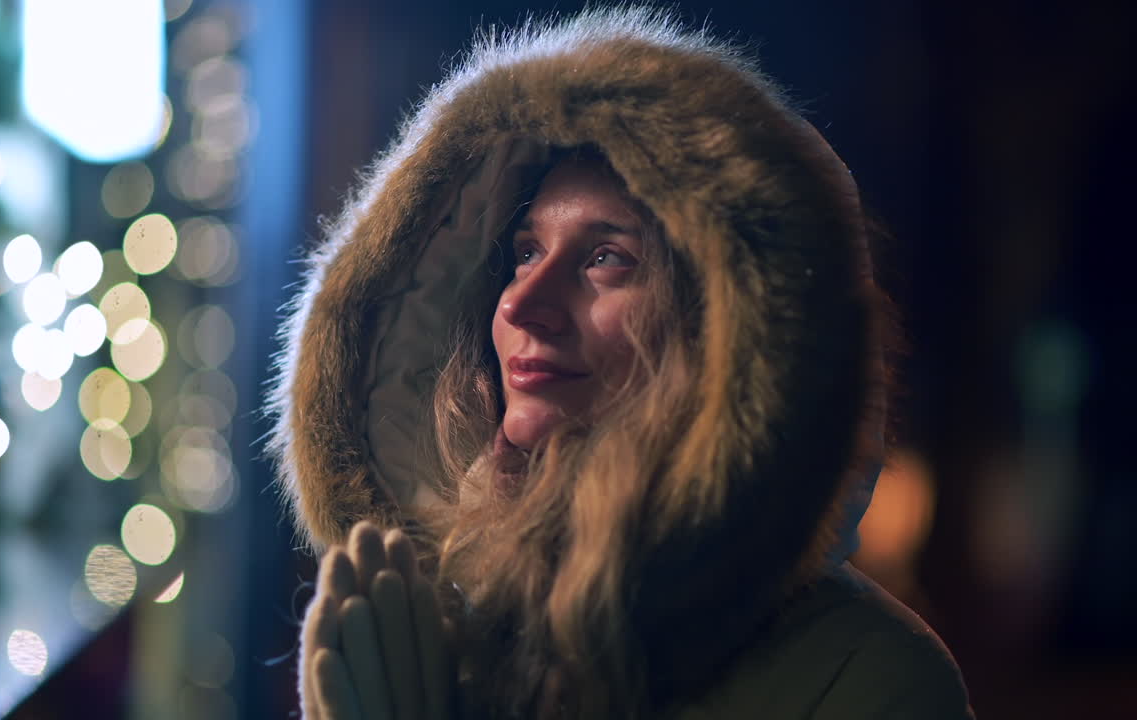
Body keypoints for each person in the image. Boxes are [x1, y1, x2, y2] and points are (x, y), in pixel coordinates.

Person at [267, 7, 974, 719]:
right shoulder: (431, 631)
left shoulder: (869, 675)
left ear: (724, 326)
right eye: (525, 252)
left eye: (607, 257)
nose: (524, 305)